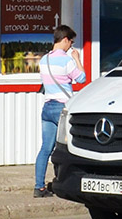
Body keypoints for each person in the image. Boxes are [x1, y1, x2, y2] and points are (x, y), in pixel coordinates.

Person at [36, 24, 86, 197]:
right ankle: (71, 182)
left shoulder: (44, 60)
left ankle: (39, 187)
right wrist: (77, 58)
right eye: (71, 42)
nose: (71, 46)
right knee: (73, 146)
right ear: (65, 39)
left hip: (47, 107)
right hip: (61, 108)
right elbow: (82, 78)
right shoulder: (66, 60)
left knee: (45, 148)